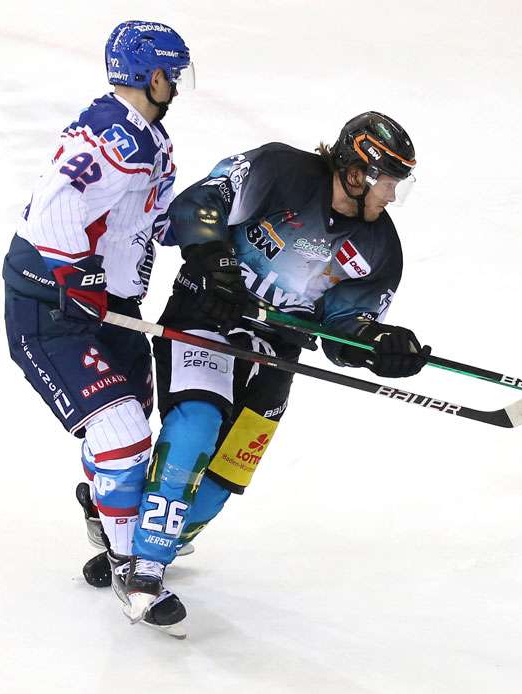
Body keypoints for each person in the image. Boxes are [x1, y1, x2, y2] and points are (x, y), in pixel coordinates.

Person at [119, 111, 430, 626]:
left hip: (276, 354)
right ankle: (143, 569)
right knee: (195, 428)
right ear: (355, 172)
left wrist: (379, 345)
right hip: (206, 319)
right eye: (386, 183)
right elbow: (200, 203)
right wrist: (213, 259)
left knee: (219, 484)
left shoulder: (379, 248)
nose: (391, 197)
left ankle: (135, 532)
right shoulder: (277, 169)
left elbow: (343, 332)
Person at [1, 21, 194, 635]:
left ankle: (102, 507)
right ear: (154, 75)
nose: (178, 86)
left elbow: (153, 221)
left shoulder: (149, 139)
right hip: (54, 310)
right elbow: (55, 210)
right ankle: (126, 562)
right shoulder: (116, 140)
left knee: (130, 424)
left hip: (113, 305)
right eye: (174, 74)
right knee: (124, 433)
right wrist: (74, 279)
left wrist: (217, 247)